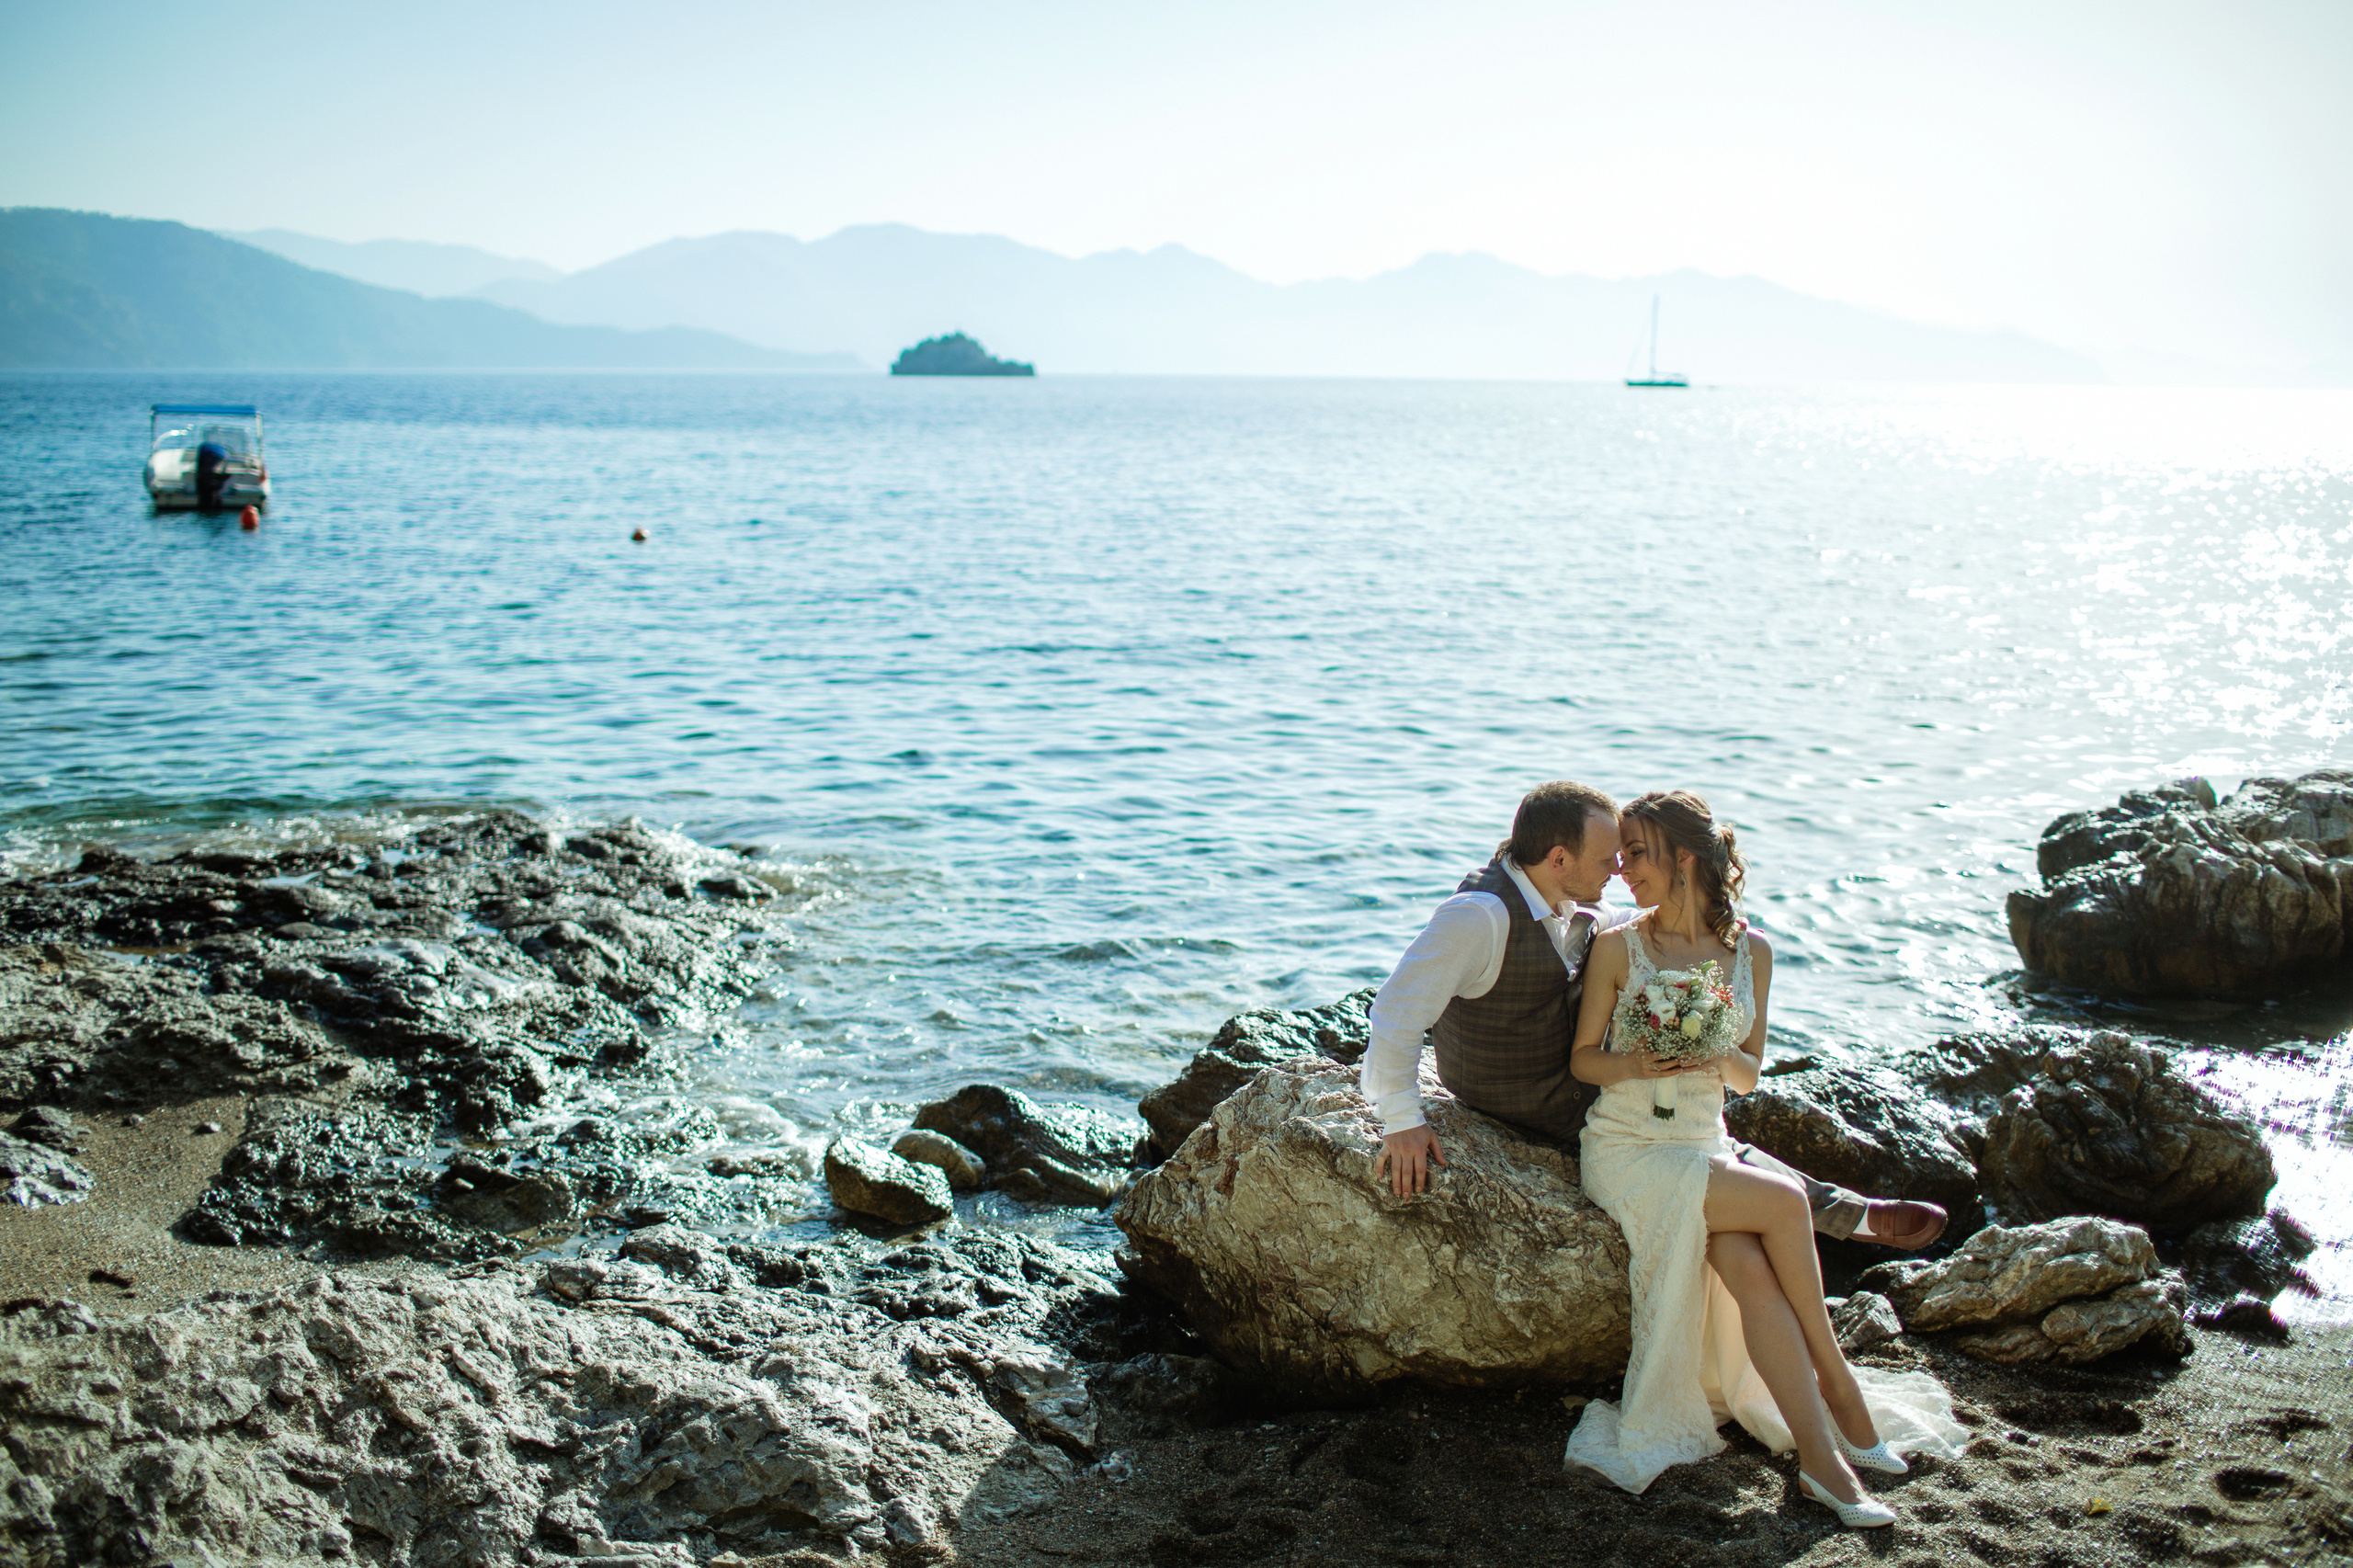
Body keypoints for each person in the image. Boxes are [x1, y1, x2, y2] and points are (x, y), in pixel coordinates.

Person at [1560, 790, 1962, 1522]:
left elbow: (1747, 1075)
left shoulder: (1753, 952)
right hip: (1629, 1151)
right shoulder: (1619, 947)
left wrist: (1708, 1042)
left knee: (1751, 1269)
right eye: (1618, 856)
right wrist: (1640, 1062)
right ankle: (1839, 1386)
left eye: (1638, 853)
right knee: (1781, 1199)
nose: (1621, 870)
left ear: (1685, 859)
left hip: (1703, 1146)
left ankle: (1823, 1465)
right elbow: (1585, 1061)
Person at [1361, 780, 1946, 1256]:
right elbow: (1395, 1011)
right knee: (1686, 1141)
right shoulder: (1480, 917)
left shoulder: (1576, 904)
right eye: (1606, 857)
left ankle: (1840, 1212)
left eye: (1624, 856)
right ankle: (1844, 1214)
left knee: (1691, 1125)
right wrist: (1400, 1118)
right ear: (1559, 858)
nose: (1617, 868)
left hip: (1581, 1089)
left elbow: (1646, 925)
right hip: (1519, 1105)